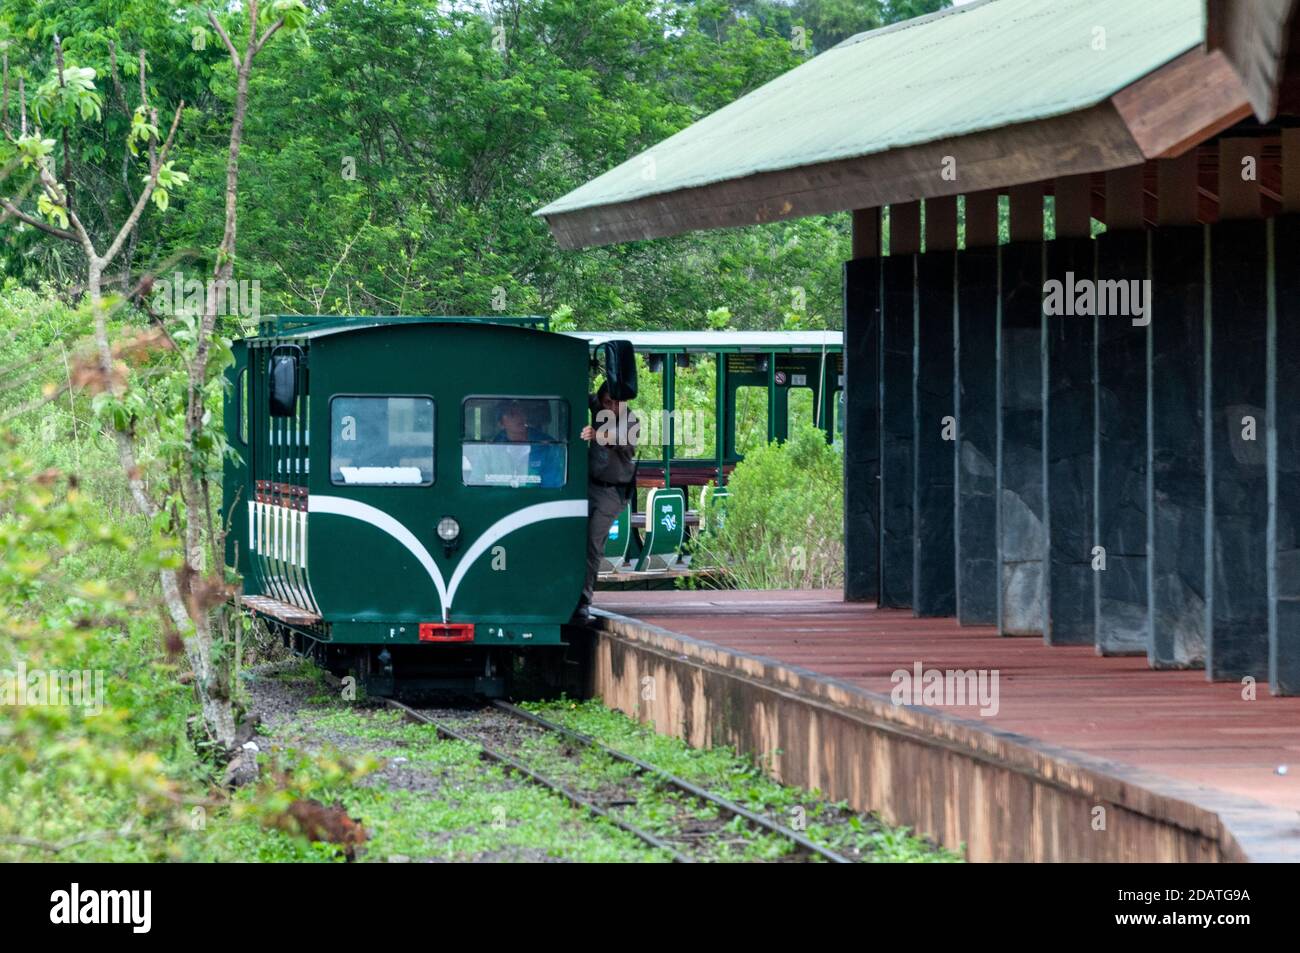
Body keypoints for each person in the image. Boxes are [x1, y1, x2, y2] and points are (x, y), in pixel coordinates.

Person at [573, 382, 637, 622]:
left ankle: (584, 599)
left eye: (617, 403)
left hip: (612, 492)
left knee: (593, 543)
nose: (611, 407)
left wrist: (596, 435)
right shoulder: (598, 408)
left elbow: (622, 441)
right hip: (587, 485)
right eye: (607, 402)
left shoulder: (631, 422)